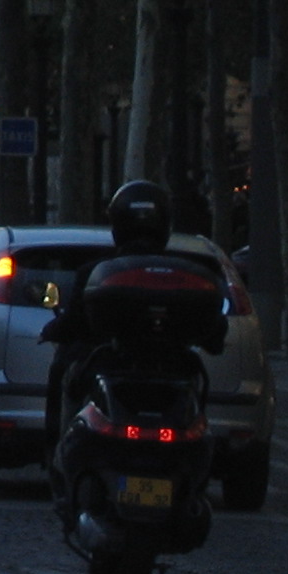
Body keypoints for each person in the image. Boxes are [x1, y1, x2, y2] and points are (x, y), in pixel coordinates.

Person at [41, 179, 175, 469]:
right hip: (173, 370)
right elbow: (214, 332)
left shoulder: (96, 272)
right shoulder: (184, 273)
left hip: (107, 366)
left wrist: (53, 330)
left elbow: (74, 322)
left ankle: (59, 457)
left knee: (64, 370)